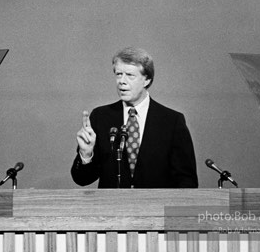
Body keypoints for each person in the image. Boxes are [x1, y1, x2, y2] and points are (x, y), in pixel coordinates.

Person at [71, 47, 198, 188]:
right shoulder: (101, 117)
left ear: (147, 80)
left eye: (130, 75)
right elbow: (82, 179)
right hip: (112, 208)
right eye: (118, 74)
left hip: (155, 208)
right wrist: (86, 154)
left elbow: (187, 182)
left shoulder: (172, 121)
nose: (122, 81)